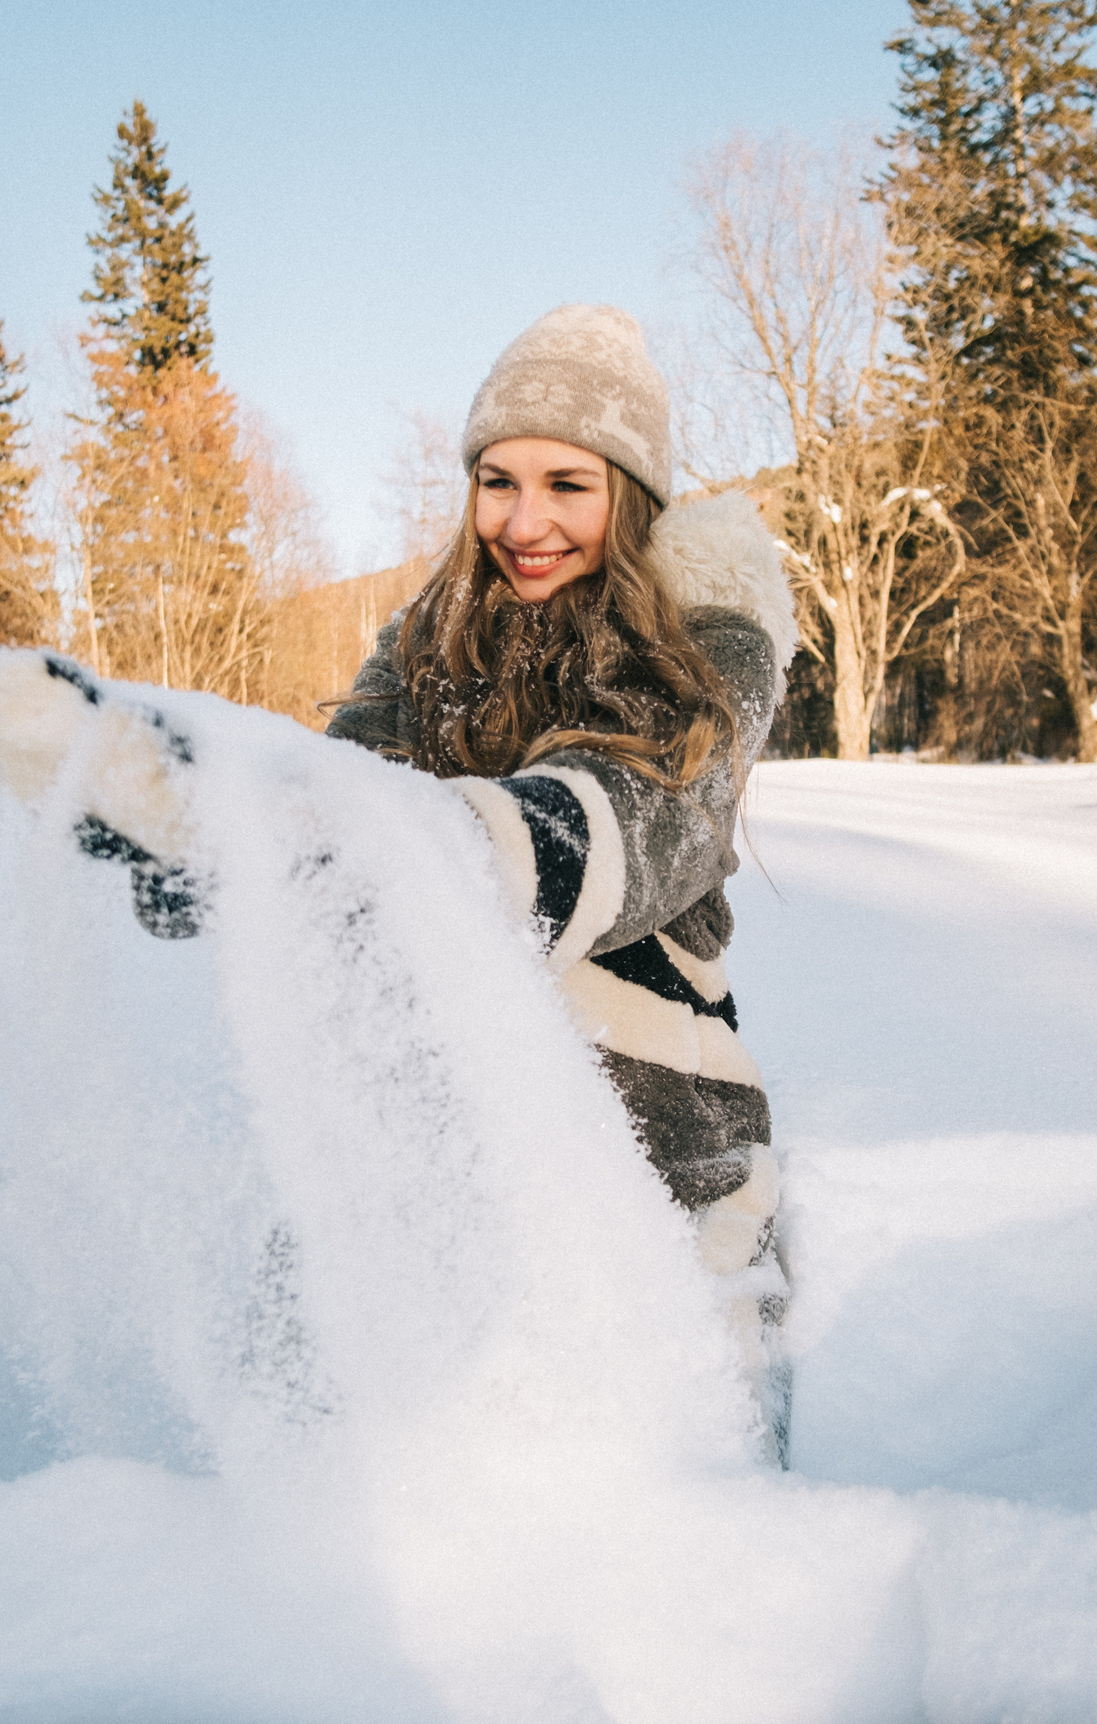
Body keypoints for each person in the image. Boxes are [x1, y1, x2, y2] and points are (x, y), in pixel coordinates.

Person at [322, 305, 799, 1437]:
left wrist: (452, 846)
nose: (521, 521)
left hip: (659, 1135)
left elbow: (644, 815)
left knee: (681, 1498)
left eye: (566, 484)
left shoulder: (711, 634)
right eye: (496, 479)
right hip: (438, 1121)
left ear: (627, 492)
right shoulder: (428, 637)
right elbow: (335, 805)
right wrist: (195, 826)